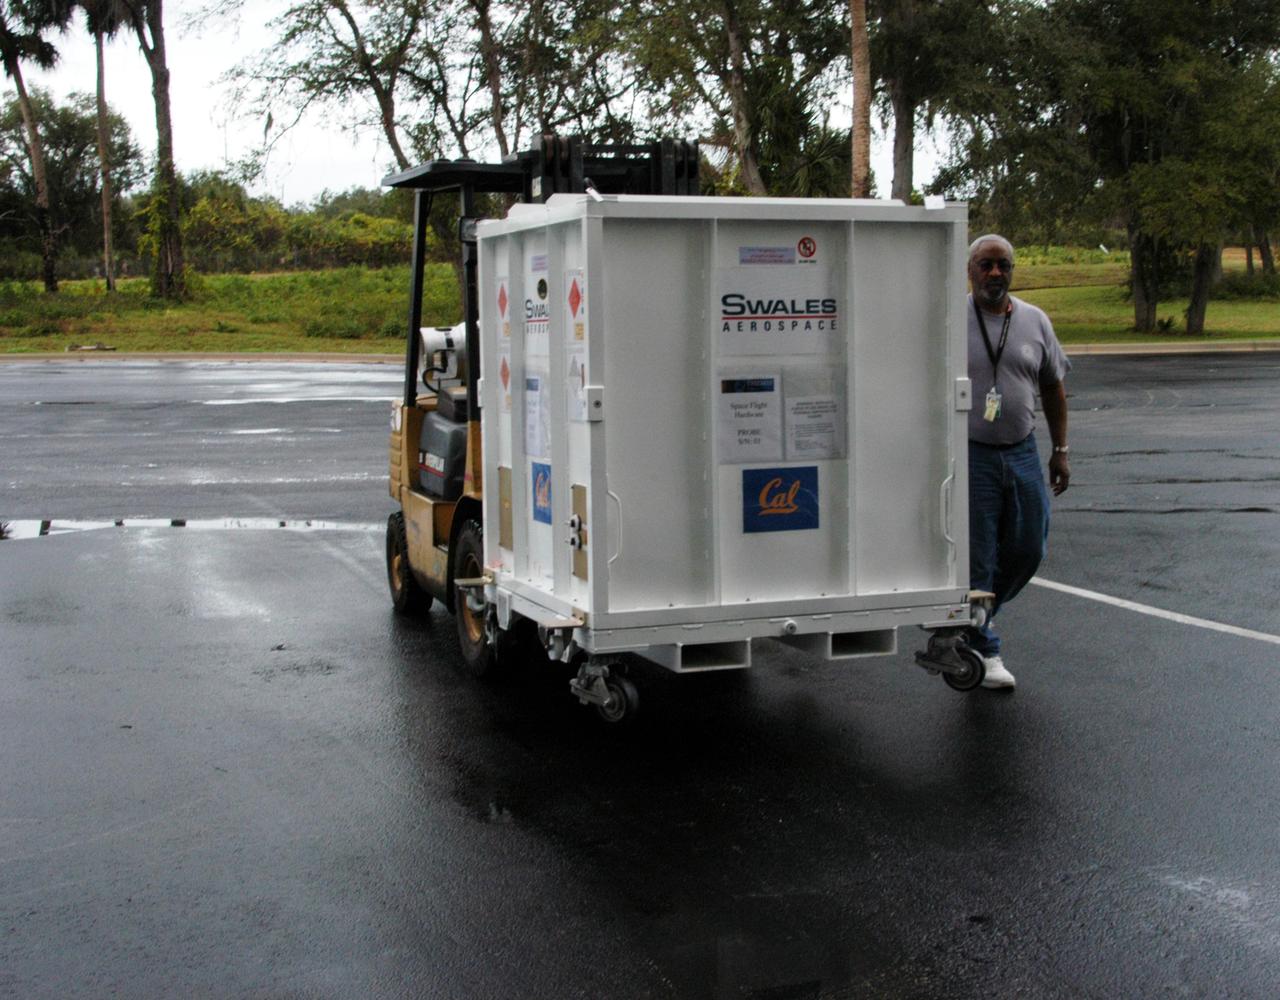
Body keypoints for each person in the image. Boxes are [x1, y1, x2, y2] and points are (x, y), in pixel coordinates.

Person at [965, 234, 1070, 690]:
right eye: (986, 265)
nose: (995, 274)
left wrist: (1060, 450)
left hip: (1023, 451)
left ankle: (968, 624)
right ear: (971, 270)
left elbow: (1053, 387)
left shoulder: (1034, 320)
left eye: (1003, 265)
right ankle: (985, 650)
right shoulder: (952, 318)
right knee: (980, 558)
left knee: (1030, 548)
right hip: (972, 453)